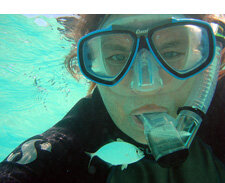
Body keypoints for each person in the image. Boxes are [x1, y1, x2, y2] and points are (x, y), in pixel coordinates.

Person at [0, 14, 225, 183]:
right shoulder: (67, 146)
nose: (146, 86)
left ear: (207, 57)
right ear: (92, 67)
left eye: (172, 53)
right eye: (117, 57)